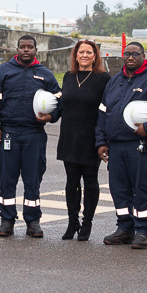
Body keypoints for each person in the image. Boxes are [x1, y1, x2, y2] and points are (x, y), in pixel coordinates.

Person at [95, 42, 147, 249]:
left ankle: (144, 231)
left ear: (143, 55)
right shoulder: (114, 82)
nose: (130, 57)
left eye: (135, 54)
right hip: (116, 145)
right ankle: (125, 228)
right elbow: (103, 113)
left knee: (142, 187)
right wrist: (101, 141)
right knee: (119, 189)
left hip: (142, 145)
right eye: (127, 54)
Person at [0, 36, 61, 238]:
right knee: (7, 178)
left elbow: (59, 102)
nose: (26, 50)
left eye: (30, 47)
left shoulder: (45, 74)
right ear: (17, 49)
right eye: (22, 47)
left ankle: (33, 221)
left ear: (36, 50)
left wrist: (51, 116)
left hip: (34, 134)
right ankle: (7, 220)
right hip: (8, 132)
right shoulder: (4, 71)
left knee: (32, 178)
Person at [56, 39, 110, 241]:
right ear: (75, 55)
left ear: (95, 56)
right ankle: (72, 222)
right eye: (81, 52)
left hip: (91, 138)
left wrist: (104, 140)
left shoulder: (103, 78)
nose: (85, 56)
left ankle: (87, 223)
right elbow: (62, 107)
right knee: (71, 181)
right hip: (69, 136)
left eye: (89, 52)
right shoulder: (69, 77)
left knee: (90, 180)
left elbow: (107, 110)